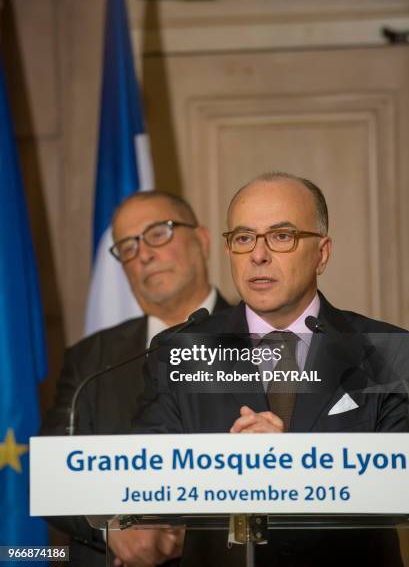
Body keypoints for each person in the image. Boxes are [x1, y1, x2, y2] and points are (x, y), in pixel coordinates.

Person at [134, 173, 409, 566]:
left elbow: (400, 486)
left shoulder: (385, 351)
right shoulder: (181, 350)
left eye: (281, 236)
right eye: (244, 238)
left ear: (323, 253)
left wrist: (291, 465)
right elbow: (148, 478)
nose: (258, 255)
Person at [41, 190, 229, 567]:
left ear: (203, 240)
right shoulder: (91, 359)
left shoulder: (269, 342)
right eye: (127, 246)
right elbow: (49, 476)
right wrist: (110, 525)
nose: (143, 254)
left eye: (159, 233)